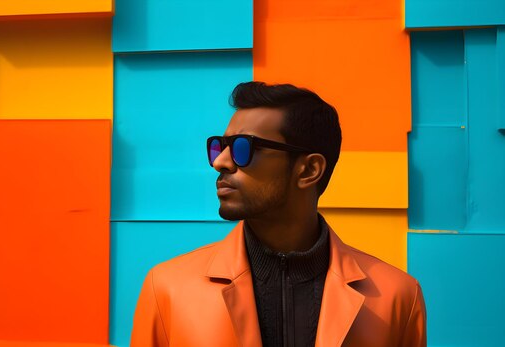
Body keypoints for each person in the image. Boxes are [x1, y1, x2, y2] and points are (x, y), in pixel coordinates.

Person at [130, 81, 426, 347]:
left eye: (243, 148)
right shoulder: (167, 289)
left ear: (309, 170)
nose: (220, 161)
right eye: (220, 147)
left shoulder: (397, 298)